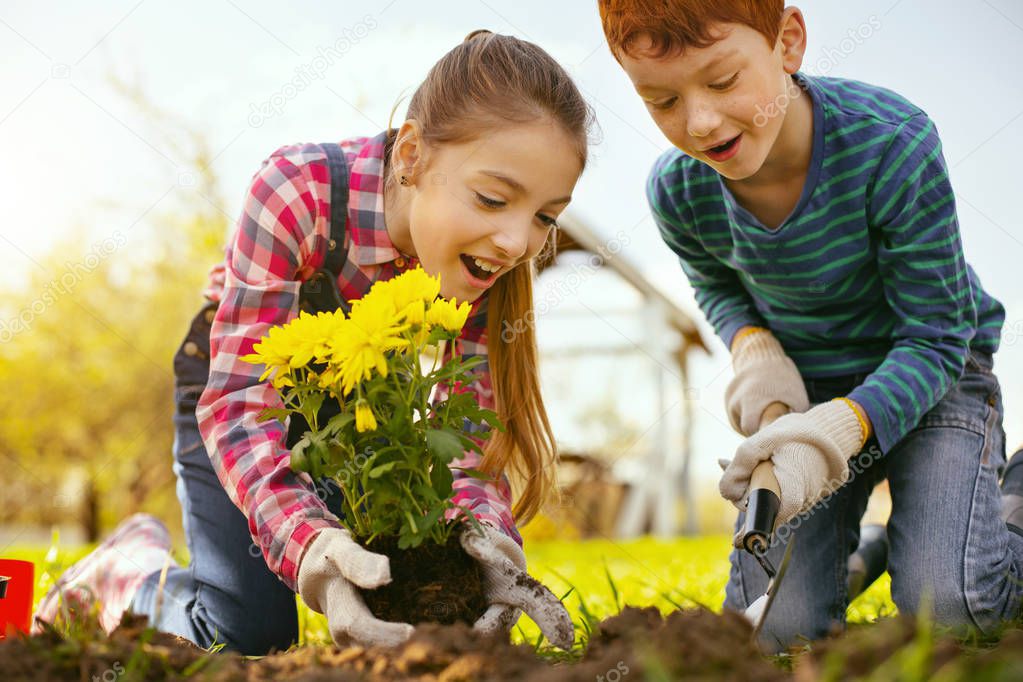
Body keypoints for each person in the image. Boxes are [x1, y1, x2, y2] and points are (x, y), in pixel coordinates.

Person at [34, 30, 592, 655]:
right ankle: (121, 578)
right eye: (494, 198)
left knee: (424, 590)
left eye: (546, 215)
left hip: (364, 403)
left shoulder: (484, 261)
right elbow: (241, 400)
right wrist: (314, 549)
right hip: (244, 391)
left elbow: (467, 432)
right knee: (245, 636)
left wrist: (483, 539)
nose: (518, 242)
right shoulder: (298, 190)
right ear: (411, 155)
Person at [597, 0, 1017, 651]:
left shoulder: (890, 145)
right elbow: (718, 286)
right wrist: (757, 357)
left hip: (936, 378)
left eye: (721, 80)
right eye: (660, 99)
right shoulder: (679, 192)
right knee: (774, 632)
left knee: (950, 614)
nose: (700, 122)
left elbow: (936, 337)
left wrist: (838, 429)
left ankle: (1010, 511)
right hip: (811, 394)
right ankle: (863, 559)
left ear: (787, 41)